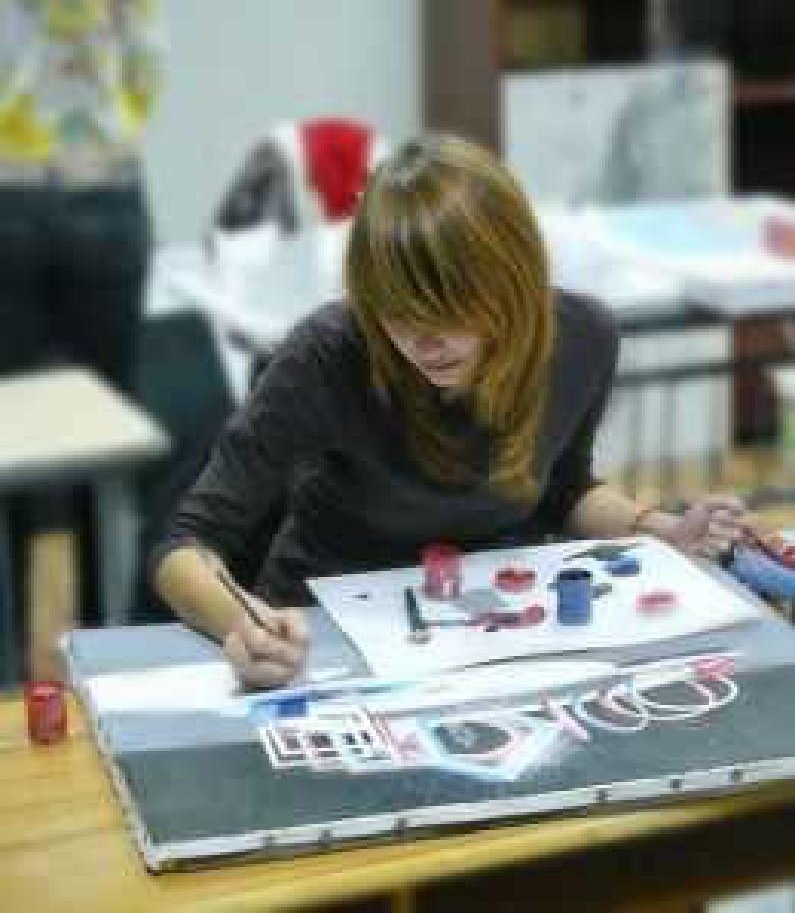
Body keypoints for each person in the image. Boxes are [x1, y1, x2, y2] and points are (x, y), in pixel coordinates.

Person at [153, 134, 755, 689]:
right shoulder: (329, 355)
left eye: (447, 311)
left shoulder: (581, 339)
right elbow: (185, 546)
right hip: (326, 635)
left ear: (511, 281)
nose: (422, 343)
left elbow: (564, 490)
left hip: (501, 628)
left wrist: (661, 530)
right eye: (395, 312)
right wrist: (242, 624)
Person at [0, 0, 164, 679]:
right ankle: (108, 652)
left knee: (11, 436)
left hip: (9, 189)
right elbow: (145, 69)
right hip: (104, 186)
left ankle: (13, 667)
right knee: (108, 437)